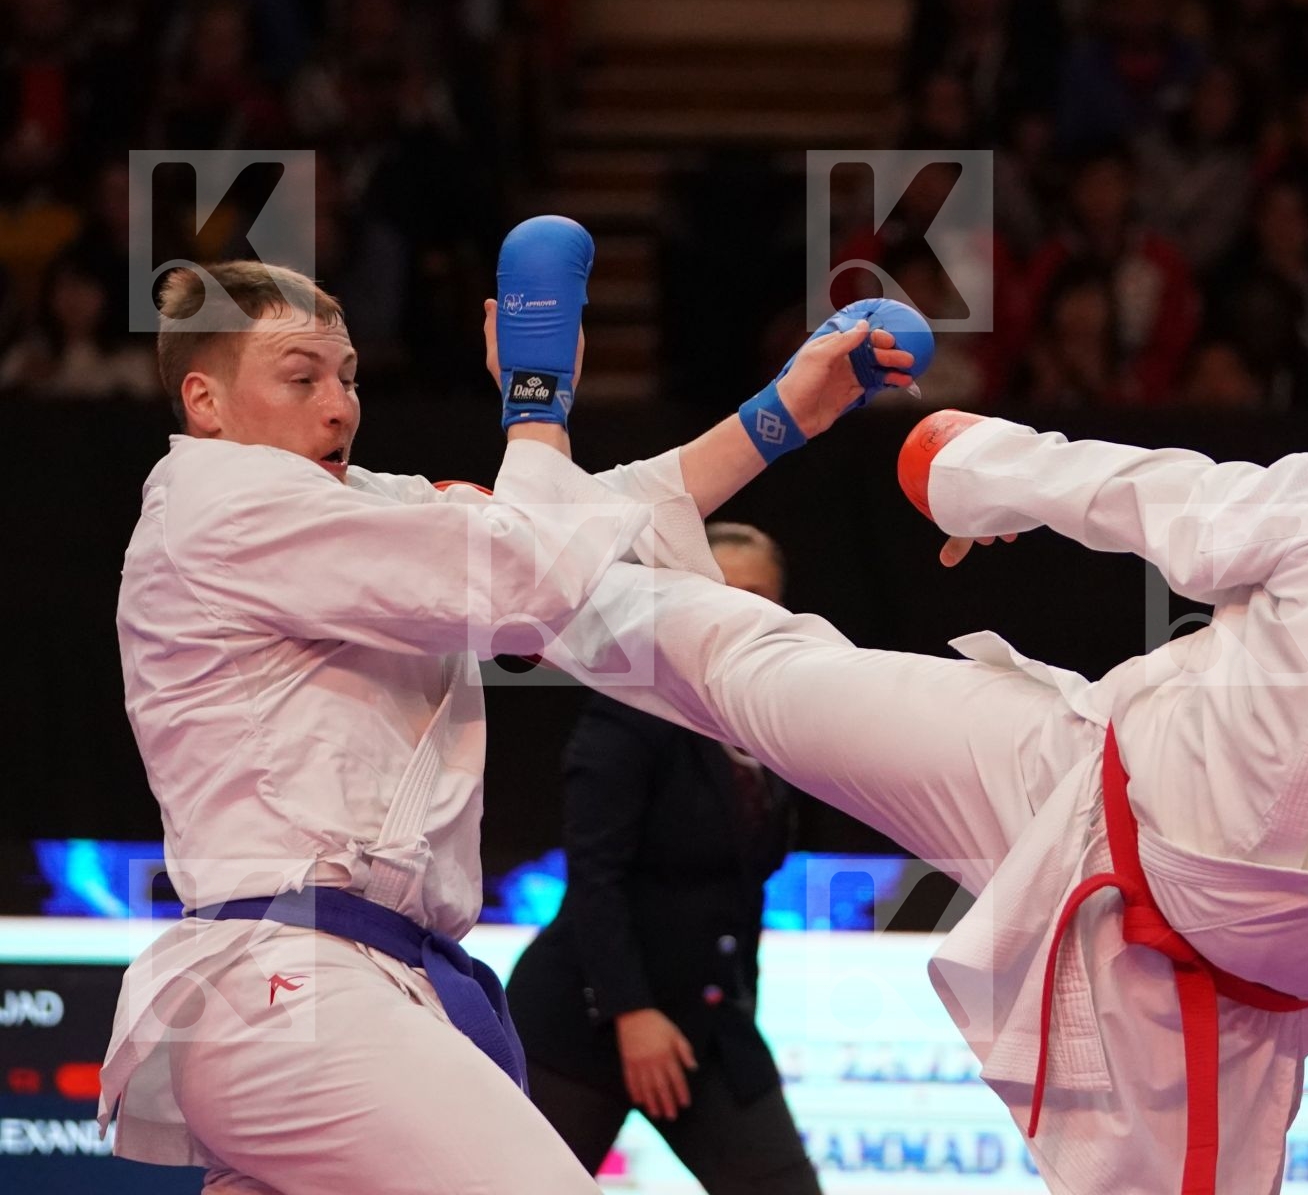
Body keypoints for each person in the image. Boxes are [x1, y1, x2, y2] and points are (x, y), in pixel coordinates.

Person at [536, 380, 1308, 1195]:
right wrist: (972, 466)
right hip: (1066, 779)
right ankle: (516, 559)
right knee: (770, 676)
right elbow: (1159, 492)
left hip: (1202, 1017)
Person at [97, 218, 921, 1195]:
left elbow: (581, 530)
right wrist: (535, 401)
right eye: (300, 376)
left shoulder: (354, 510)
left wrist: (781, 415)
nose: (338, 408)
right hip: (296, 989)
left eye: (349, 374)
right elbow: (522, 575)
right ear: (207, 400)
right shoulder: (226, 506)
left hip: (338, 988)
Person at [507, 523, 818, 1192]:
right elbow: (595, 876)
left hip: (708, 1028)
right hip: (584, 1025)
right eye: (720, 591)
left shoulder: (779, 722)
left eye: (758, 595)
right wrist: (630, 1011)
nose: (739, 608)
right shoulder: (629, 711)